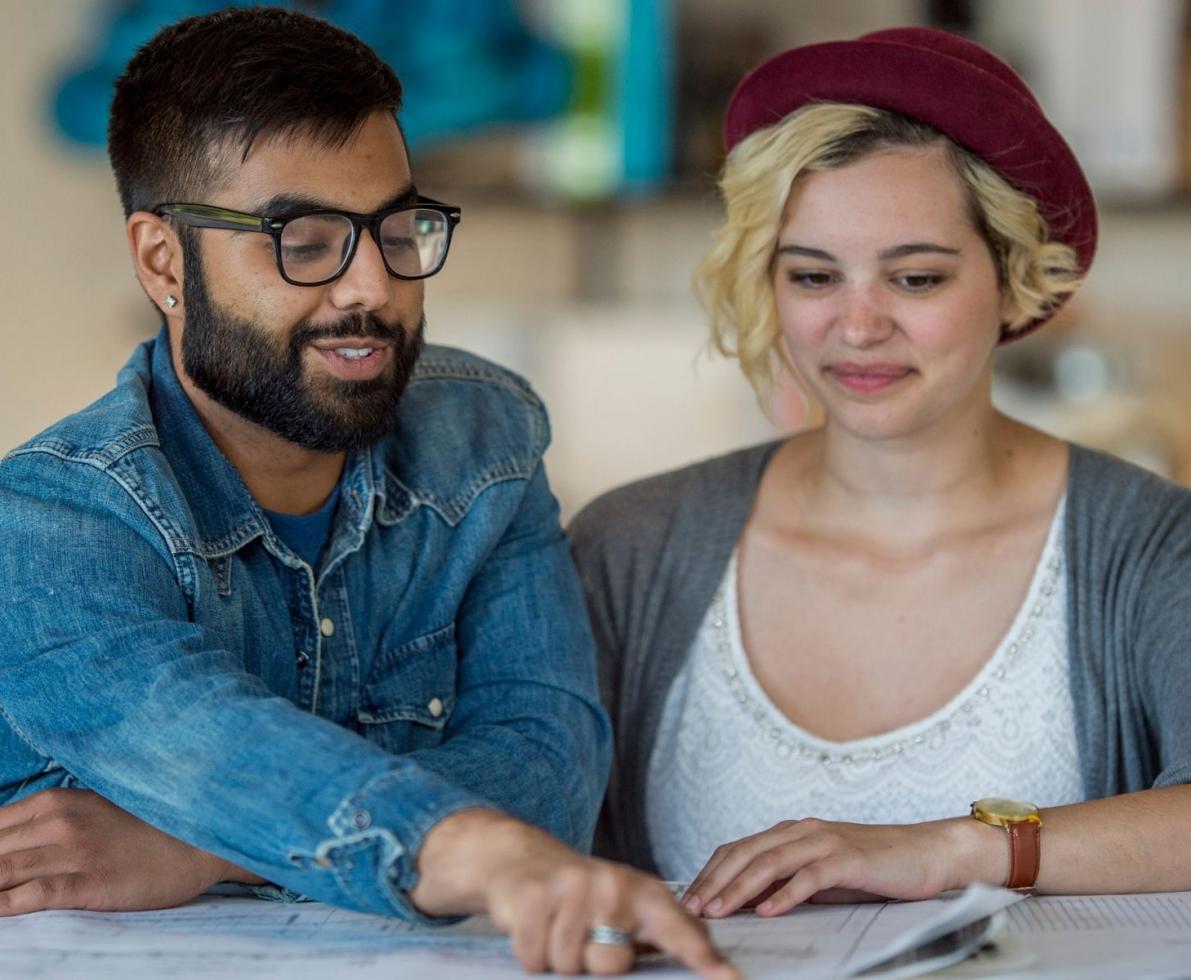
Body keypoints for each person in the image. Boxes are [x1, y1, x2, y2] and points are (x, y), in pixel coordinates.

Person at [0, 8, 734, 977]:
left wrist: (203, 844)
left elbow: (550, 770)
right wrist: (466, 847)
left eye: (398, 228)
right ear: (163, 260)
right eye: (302, 239)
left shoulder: (484, 439)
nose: (370, 287)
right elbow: (204, 748)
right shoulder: (47, 525)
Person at [570, 27, 1191, 919]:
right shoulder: (627, 546)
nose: (857, 327)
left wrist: (948, 850)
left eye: (915, 279)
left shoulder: (1151, 549)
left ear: (1012, 279)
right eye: (814, 276)